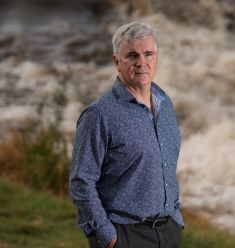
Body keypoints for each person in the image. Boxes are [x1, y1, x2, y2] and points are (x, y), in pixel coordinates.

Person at [69, 21, 184, 248]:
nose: (142, 62)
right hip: (125, 236)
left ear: (156, 58)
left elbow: (166, 166)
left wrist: (176, 220)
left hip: (169, 232)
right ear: (116, 62)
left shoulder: (165, 104)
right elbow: (81, 182)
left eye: (148, 54)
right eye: (132, 56)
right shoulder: (100, 115)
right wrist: (107, 236)